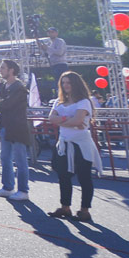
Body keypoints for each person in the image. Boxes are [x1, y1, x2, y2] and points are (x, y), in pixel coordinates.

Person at [47, 71, 102, 223]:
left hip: (81, 144)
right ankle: (65, 207)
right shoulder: (58, 101)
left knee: (84, 177)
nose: (66, 86)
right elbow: (51, 118)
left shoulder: (84, 101)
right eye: (63, 83)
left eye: (69, 83)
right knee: (63, 176)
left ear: (75, 84)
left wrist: (62, 120)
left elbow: (78, 121)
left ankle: (85, 210)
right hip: (64, 143)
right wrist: (68, 119)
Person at [0, 60, 37, 201]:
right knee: (4, 158)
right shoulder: (4, 86)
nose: (0, 70)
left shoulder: (19, 87)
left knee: (20, 159)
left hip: (17, 127)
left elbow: (6, 104)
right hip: (5, 126)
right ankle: (8, 187)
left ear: (11, 70)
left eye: (3, 68)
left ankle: (23, 190)